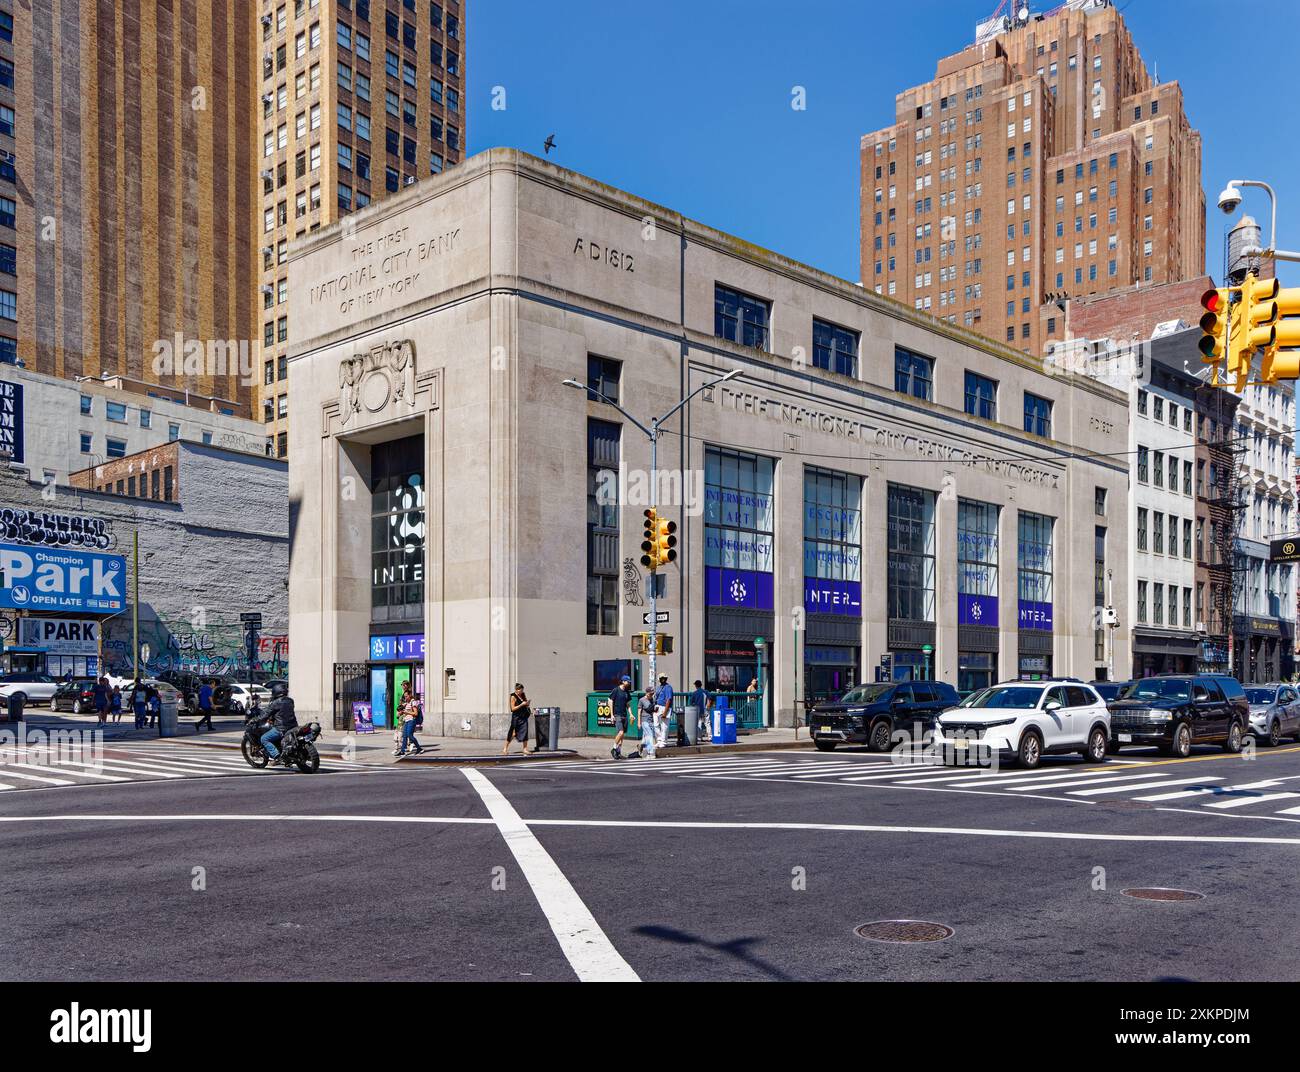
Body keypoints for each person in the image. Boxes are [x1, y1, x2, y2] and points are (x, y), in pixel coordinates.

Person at [260, 681, 298, 765]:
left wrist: (257, 719)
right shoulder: (291, 701)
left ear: (276, 692)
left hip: (281, 728)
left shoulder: (276, 702)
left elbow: (266, 714)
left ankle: (277, 757)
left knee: (264, 739)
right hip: (293, 726)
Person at [503, 683, 531, 756]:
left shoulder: (523, 695)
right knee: (513, 733)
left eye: (522, 690)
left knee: (525, 732)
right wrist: (521, 704)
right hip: (516, 717)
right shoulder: (513, 696)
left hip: (523, 716)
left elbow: (525, 704)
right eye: (520, 690)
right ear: (516, 690)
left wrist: (527, 704)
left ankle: (525, 749)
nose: (521, 692)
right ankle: (505, 748)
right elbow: (512, 708)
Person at [608, 676, 633, 760]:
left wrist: (631, 714)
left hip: (624, 715)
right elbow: (610, 701)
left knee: (622, 736)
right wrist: (611, 715)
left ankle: (619, 750)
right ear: (623, 681)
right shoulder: (616, 690)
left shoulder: (627, 692)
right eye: (628, 682)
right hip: (617, 715)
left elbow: (628, 704)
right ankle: (614, 748)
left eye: (629, 682)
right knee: (621, 732)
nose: (629, 683)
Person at [653, 673, 674, 752]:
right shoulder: (659, 687)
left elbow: (669, 699)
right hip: (657, 707)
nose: (663, 679)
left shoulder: (668, 687)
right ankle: (659, 740)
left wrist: (665, 711)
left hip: (664, 707)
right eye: (661, 678)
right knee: (656, 725)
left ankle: (663, 741)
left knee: (664, 726)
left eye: (664, 678)